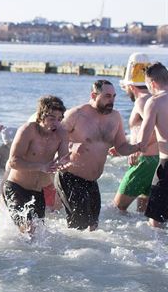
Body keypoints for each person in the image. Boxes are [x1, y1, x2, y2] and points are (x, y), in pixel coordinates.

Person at [57, 80, 142, 230]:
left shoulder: (115, 117)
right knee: (79, 227)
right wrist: (73, 145)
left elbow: (121, 147)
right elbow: (55, 137)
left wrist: (138, 147)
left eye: (114, 96)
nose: (112, 100)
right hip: (70, 177)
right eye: (107, 96)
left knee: (93, 227)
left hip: (92, 182)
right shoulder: (77, 114)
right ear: (94, 95)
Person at [3, 96, 69, 234]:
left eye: (59, 119)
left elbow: (64, 159)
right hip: (16, 188)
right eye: (52, 118)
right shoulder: (28, 130)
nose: (56, 123)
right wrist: (42, 167)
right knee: (29, 230)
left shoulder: (61, 133)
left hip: (38, 192)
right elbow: (13, 161)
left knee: (39, 235)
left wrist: (62, 163)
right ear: (40, 116)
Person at [113, 54, 159, 213]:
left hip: (146, 160)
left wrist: (137, 149)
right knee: (144, 212)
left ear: (131, 86)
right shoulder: (154, 98)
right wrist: (125, 145)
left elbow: (155, 128)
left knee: (118, 207)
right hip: (156, 160)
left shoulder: (142, 100)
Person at [138, 62, 168, 228]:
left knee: (156, 221)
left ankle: (160, 254)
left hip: (166, 165)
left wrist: (129, 149)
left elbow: (143, 139)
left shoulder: (155, 102)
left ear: (152, 83)